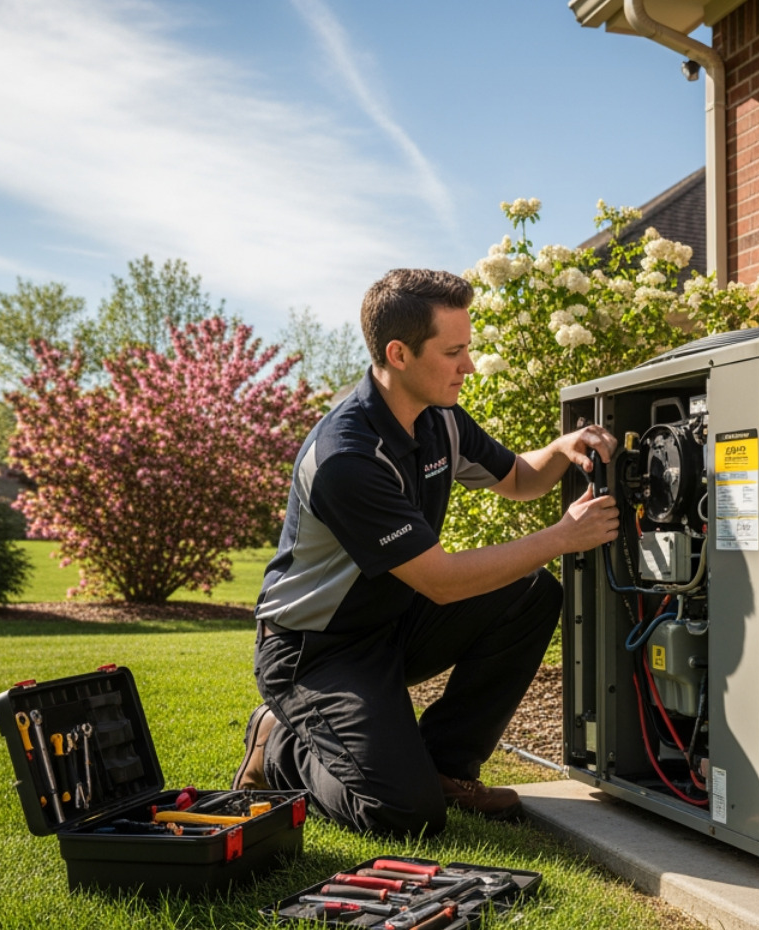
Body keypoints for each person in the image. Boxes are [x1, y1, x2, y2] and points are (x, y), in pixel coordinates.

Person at [235, 268, 618, 835]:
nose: (467, 365)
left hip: (394, 620)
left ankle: (445, 766)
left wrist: (562, 447)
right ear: (399, 354)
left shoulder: (439, 418)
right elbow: (443, 582)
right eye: (454, 351)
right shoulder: (348, 457)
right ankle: (277, 747)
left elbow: (518, 478)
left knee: (532, 594)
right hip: (317, 650)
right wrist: (562, 537)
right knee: (402, 814)